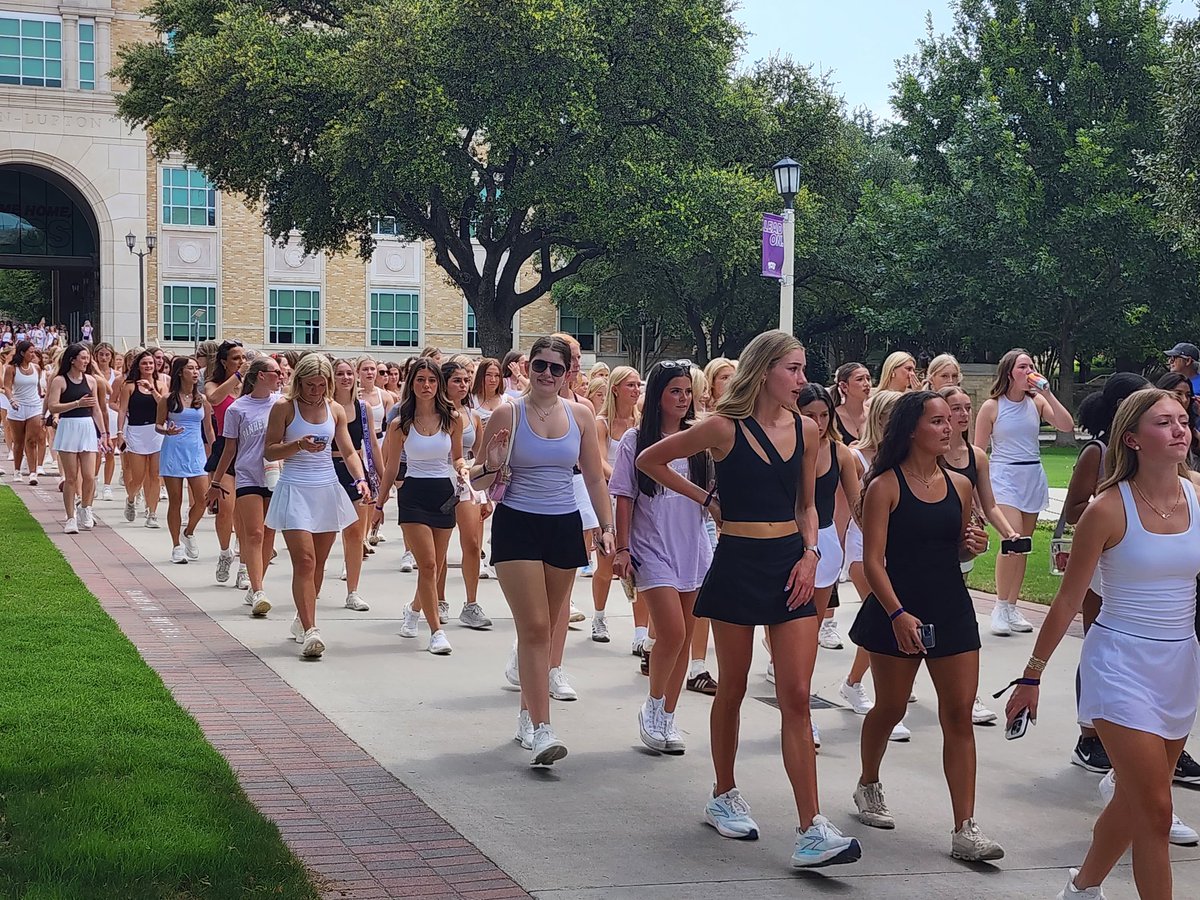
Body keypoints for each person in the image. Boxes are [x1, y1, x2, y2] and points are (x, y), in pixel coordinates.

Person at [638, 330, 862, 869]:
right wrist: (707, 498)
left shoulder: (808, 430)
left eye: (803, 368)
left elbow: (809, 505)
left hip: (791, 563)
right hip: (737, 562)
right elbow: (650, 460)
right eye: (792, 369)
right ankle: (723, 792)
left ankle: (811, 826)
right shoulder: (721, 427)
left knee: (798, 693)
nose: (801, 379)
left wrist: (811, 553)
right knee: (731, 687)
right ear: (764, 371)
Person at [1005, 388, 1200, 900]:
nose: (1180, 429)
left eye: (1183, 420)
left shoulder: (1199, 493)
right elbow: (1068, 603)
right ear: (1132, 439)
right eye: (1165, 422)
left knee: (1136, 802)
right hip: (1119, 665)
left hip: (1179, 663)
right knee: (1157, 812)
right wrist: (1032, 674)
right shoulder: (1107, 509)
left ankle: (1081, 887)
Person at [848, 391, 1001, 861]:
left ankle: (965, 828)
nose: (948, 427)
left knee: (958, 715)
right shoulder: (885, 485)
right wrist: (896, 614)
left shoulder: (961, 484)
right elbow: (874, 562)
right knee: (890, 707)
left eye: (949, 421)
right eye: (936, 421)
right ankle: (868, 782)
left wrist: (972, 546)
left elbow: (955, 549)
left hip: (951, 608)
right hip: (897, 609)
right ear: (912, 428)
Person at [469, 335, 614, 766]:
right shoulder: (507, 411)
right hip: (517, 523)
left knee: (550, 626)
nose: (547, 374)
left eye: (556, 367)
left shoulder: (582, 415)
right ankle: (543, 729)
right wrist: (493, 461)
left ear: (569, 371)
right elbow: (476, 481)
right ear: (526, 368)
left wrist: (607, 527)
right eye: (539, 366)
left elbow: (593, 478)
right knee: (533, 627)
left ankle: (526, 715)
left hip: (564, 522)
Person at [609, 361, 711, 753]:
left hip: (692, 545)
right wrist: (621, 547)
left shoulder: (699, 438)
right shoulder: (636, 440)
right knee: (671, 632)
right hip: (651, 546)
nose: (683, 399)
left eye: (688, 392)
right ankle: (652, 707)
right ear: (658, 396)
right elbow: (623, 496)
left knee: (685, 636)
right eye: (675, 392)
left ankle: (669, 714)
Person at [264, 353, 370, 659]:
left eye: (321, 385)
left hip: (326, 488)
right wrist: (297, 444)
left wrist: (360, 479)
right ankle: (312, 630)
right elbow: (270, 451)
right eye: (310, 385)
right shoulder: (284, 408)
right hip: (295, 486)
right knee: (306, 561)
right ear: (299, 382)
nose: (315, 391)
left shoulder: (334, 409)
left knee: (320, 562)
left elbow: (349, 452)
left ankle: (303, 616)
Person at [939, 385, 1024, 724]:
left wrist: (1009, 532)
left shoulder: (976, 456)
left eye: (965, 408)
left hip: (963, 544)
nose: (961, 415)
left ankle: (966, 697)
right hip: (927, 544)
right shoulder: (929, 451)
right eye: (954, 409)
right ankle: (865, 681)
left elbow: (988, 503)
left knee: (956, 615)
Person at [975, 349, 1075, 636]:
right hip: (1004, 475)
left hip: (1031, 473)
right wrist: (976, 492)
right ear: (1010, 373)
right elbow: (979, 450)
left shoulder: (1037, 403)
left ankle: (1011, 605)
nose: (1029, 370)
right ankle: (999, 606)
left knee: (1026, 544)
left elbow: (1066, 424)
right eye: (1023, 366)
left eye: (1031, 365)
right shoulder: (992, 407)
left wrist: (1048, 393)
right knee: (1012, 540)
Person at [372, 358, 469, 655]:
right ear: (410, 384)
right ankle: (436, 631)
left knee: (436, 566)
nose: (426, 386)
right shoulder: (401, 424)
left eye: (431, 380)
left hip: (443, 492)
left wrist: (464, 470)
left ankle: (414, 610)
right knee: (426, 564)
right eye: (420, 380)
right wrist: (379, 503)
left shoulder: (452, 419)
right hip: (413, 492)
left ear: (438, 384)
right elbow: (390, 467)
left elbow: (456, 458)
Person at [208, 357, 282, 616]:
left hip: (276, 475)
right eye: (275, 372)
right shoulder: (238, 409)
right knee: (254, 534)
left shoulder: (282, 404)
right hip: (248, 475)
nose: (280, 375)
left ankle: (255, 582)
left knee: (269, 536)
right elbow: (230, 448)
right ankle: (259, 589)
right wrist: (216, 482)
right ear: (261, 375)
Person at [796, 384, 862, 664]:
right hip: (788, 538)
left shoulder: (839, 452)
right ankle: (780, 659)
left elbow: (857, 505)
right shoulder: (785, 447)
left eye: (824, 415)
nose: (818, 423)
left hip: (825, 540)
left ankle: (800, 673)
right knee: (788, 616)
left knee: (813, 622)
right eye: (810, 415)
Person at [438, 359, 493, 629]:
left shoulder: (472, 416)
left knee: (472, 543)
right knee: (440, 547)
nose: (463, 385)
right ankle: (438, 599)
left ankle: (471, 603)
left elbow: (480, 457)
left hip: (468, 480)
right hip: (440, 476)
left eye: (465, 380)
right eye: (457, 380)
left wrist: (488, 493)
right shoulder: (436, 413)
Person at [328, 359, 382, 613]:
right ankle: (313, 584)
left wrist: (380, 478)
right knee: (324, 532)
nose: (345, 378)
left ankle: (353, 591)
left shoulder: (363, 408)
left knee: (354, 534)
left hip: (355, 470)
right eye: (340, 373)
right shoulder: (325, 407)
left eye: (349, 373)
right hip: (327, 468)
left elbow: (371, 444)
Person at [592, 365, 641, 642]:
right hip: (609, 496)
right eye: (630, 385)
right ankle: (599, 616)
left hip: (637, 500)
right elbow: (598, 460)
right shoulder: (602, 423)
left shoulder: (641, 422)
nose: (635, 390)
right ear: (615, 389)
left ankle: (640, 631)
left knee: (640, 565)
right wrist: (623, 480)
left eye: (637, 385)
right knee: (606, 564)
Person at [45, 343, 109, 533]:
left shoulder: (90, 380)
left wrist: (104, 433)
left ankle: (86, 508)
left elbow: (96, 408)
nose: (86, 361)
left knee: (89, 475)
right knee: (71, 477)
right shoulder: (59, 381)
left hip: (87, 426)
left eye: (87, 357)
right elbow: (53, 406)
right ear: (72, 360)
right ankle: (70, 517)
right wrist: (76, 403)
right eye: (82, 357)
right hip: (68, 426)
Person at [157, 357, 215, 564]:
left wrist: (214, 453)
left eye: (196, 368)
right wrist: (167, 430)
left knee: (202, 499)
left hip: (196, 451)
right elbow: (158, 425)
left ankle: (188, 531)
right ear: (180, 372)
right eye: (190, 368)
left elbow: (208, 429)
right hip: (173, 450)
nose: (195, 372)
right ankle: (176, 546)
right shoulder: (168, 399)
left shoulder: (203, 400)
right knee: (175, 501)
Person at [205, 340, 249, 587]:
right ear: (224, 362)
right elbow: (214, 398)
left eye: (243, 358)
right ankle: (225, 553)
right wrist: (237, 376)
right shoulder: (216, 384)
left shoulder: (249, 386)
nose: (241, 362)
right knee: (225, 507)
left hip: (248, 449)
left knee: (244, 512)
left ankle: (244, 566)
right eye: (235, 358)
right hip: (225, 448)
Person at [118, 349, 165, 528]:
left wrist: (152, 389)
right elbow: (122, 410)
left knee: (155, 475)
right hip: (136, 432)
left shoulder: (160, 385)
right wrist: (119, 433)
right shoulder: (129, 386)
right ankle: (131, 498)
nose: (148, 366)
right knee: (138, 476)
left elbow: (164, 404)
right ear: (138, 365)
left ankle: (152, 513)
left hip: (156, 432)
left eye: (151, 363)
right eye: (144, 363)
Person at [3, 340, 44, 484]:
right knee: (19, 441)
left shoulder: (36, 368)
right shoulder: (12, 368)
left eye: (34, 352)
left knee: (32, 440)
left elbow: (37, 386)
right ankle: (17, 470)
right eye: (30, 352)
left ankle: (33, 473)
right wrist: (11, 400)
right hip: (17, 407)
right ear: (22, 353)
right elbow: (7, 387)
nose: (33, 354)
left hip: (34, 406)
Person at [92, 342, 119, 500]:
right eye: (101, 354)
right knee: (96, 451)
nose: (104, 357)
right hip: (97, 412)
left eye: (107, 355)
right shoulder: (92, 375)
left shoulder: (115, 374)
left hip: (111, 412)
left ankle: (107, 486)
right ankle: (94, 481)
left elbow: (113, 392)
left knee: (110, 451)